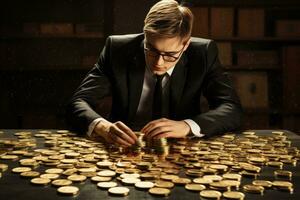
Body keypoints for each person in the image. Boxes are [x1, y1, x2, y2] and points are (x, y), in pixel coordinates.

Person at [66, 0, 243, 147]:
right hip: (125, 147)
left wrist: (187, 126)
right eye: (151, 50)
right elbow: (78, 102)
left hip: (181, 146)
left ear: (186, 44)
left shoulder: (203, 53)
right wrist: (103, 127)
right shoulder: (117, 49)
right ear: (145, 36)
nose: (158, 62)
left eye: (170, 55)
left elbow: (231, 108)